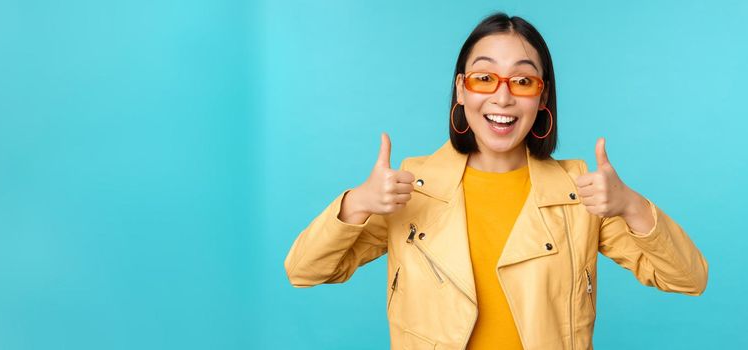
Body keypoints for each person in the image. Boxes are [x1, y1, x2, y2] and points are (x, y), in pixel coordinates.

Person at [283, 12, 708, 350]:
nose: (502, 97)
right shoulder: (410, 185)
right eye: (484, 78)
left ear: (542, 97)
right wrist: (357, 203)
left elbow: (689, 279)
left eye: (522, 81)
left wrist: (631, 205)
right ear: (461, 90)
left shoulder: (581, 190)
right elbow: (303, 270)